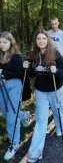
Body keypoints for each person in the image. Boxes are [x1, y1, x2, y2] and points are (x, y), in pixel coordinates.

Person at [23, 30, 63, 163]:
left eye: (43, 38)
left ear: (47, 40)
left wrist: (57, 71)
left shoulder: (55, 54)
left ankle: (60, 127)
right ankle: (35, 153)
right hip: (40, 91)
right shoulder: (34, 55)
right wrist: (27, 67)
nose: (41, 41)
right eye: (38, 39)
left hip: (55, 89)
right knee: (41, 120)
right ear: (36, 41)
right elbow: (31, 74)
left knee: (57, 111)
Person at [0, 31, 30, 161]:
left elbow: (19, 73)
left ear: (11, 42)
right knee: (6, 115)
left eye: (4, 42)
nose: (2, 45)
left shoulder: (16, 56)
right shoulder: (0, 55)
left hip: (14, 86)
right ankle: (25, 115)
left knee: (11, 117)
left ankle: (14, 144)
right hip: (2, 87)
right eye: (0, 42)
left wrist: (2, 72)